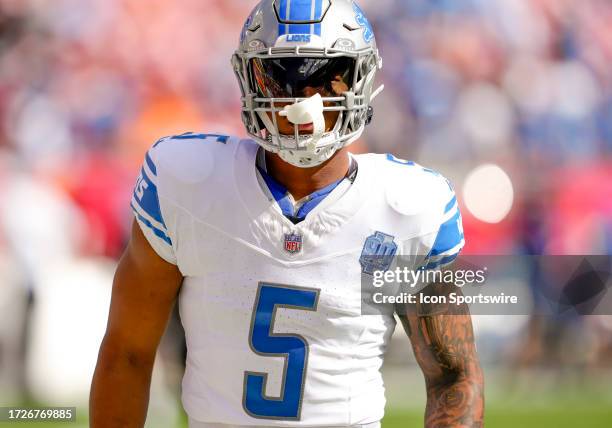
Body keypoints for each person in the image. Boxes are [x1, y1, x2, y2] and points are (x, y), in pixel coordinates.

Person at [90, 1, 484, 427]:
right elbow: (126, 353)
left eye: (324, 75)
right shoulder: (188, 183)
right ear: (251, 78)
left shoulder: (406, 208)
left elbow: (452, 375)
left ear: (359, 81)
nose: (302, 96)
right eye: (282, 75)